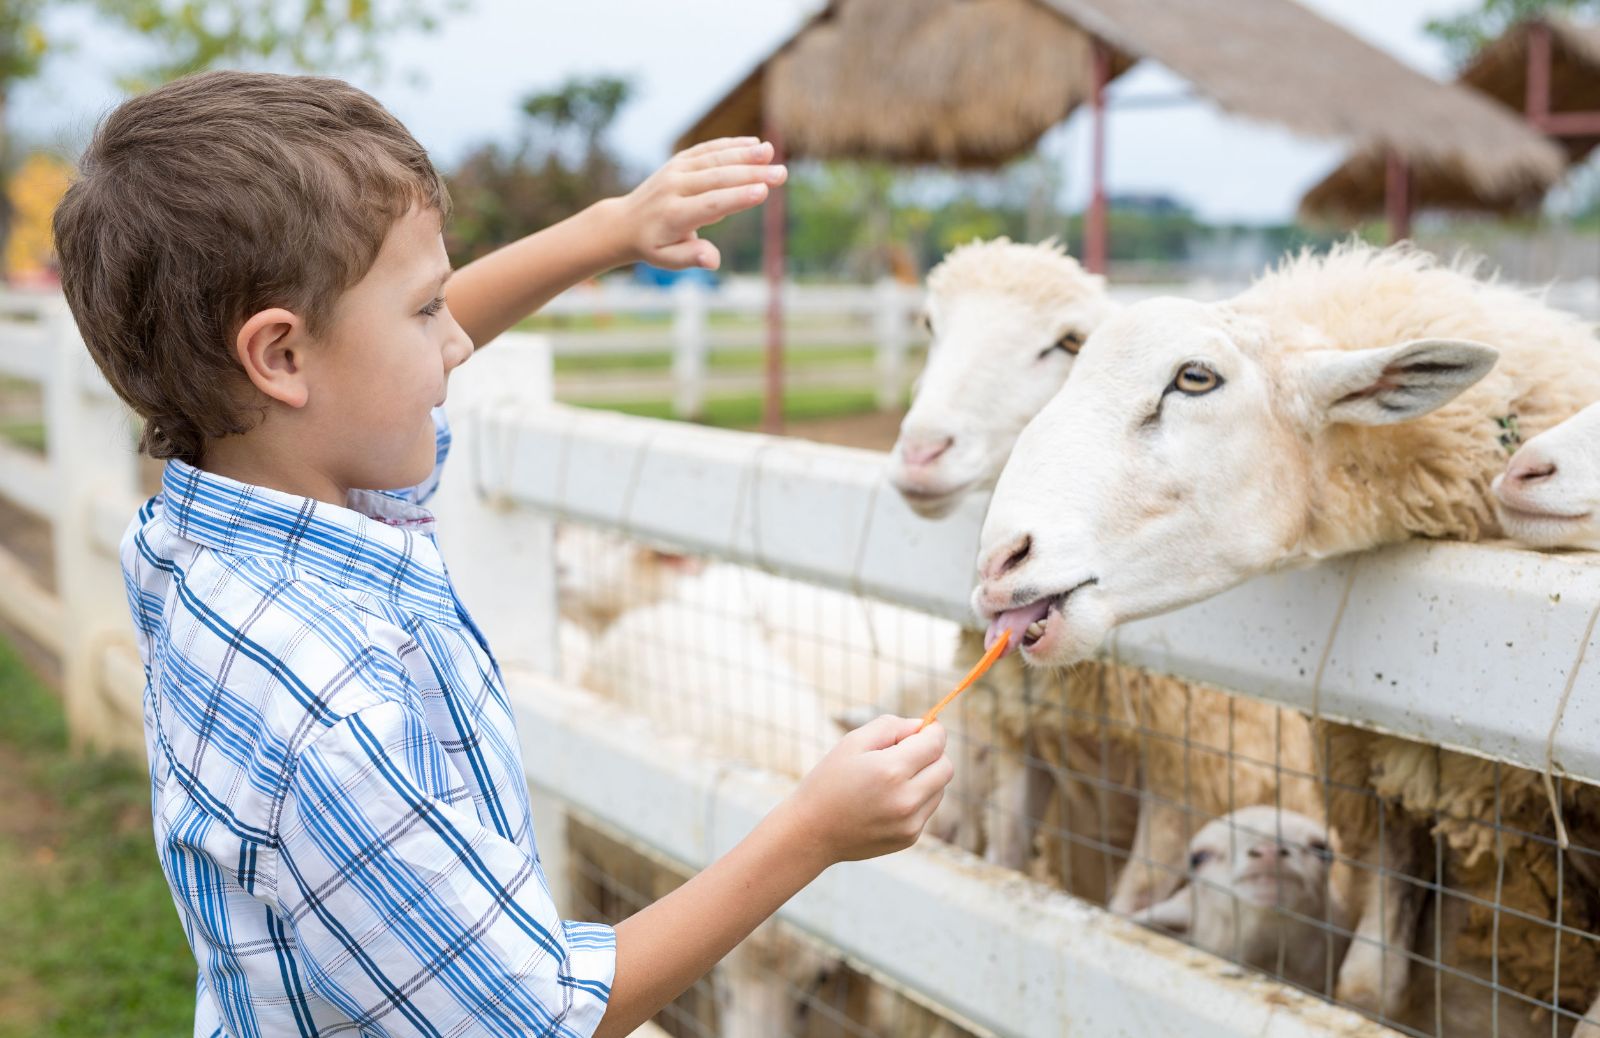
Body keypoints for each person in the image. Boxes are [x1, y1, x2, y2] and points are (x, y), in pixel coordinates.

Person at [52, 70, 953, 1038]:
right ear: (278, 358)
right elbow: (539, 1018)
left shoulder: (209, 527)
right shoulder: (331, 710)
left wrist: (605, 231)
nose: (457, 343)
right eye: (426, 309)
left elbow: (361, 359)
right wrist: (812, 832)